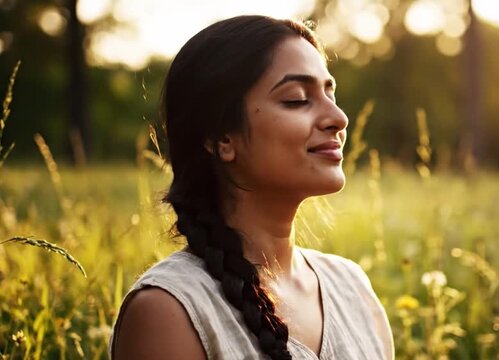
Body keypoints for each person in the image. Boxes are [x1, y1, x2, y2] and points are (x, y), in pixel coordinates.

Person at [109, 15, 394, 360]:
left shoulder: (352, 288)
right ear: (221, 138)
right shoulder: (169, 310)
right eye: (296, 99)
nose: (338, 118)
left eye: (331, 93)